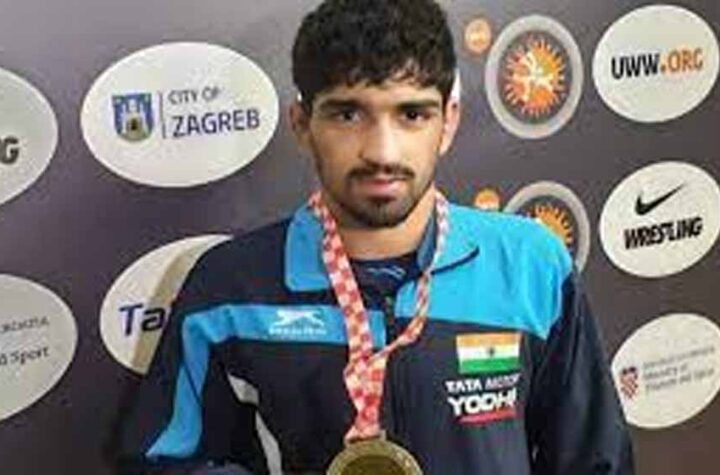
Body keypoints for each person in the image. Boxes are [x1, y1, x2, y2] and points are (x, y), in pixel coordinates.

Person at [115, 0, 634, 473]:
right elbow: (161, 462)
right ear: (302, 124)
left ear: (448, 123)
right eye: (348, 114)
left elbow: (595, 462)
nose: (382, 151)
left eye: (412, 114)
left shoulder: (531, 266)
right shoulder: (228, 288)